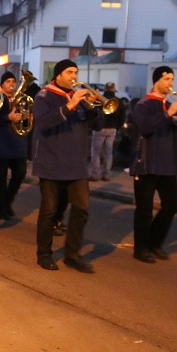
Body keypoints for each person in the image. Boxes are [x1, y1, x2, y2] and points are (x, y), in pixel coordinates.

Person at [31, 59, 101, 272]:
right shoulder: (44, 96)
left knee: (82, 209)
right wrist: (69, 105)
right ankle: (44, 254)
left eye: (76, 72)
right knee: (49, 211)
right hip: (52, 162)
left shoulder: (78, 97)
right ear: (59, 74)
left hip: (76, 165)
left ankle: (72, 254)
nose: (74, 76)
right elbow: (43, 122)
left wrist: (93, 109)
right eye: (70, 72)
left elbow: (96, 126)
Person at [130, 66, 177, 263]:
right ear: (156, 81)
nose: (171, 83)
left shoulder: (171, 104)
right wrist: (168, 115)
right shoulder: (144, 104)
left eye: (172, 79)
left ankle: (154, 242)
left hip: (168, 164)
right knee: (144, 210)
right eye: (167, 78)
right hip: (147, 163)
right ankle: (140, 248)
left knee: (172, 205)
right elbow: (145, 128)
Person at [0, 70, 30, 220]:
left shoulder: (21, 100)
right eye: (8, 81)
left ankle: (7, 202)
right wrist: (8, 117)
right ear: (2, 84)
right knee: (0, 179)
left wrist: (28, 119)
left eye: (13, 81)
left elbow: (24, 121)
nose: (12, 84)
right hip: (1, 143)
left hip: (17, 144)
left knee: (20, 173)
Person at [88, 81, 122, 182]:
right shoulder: (118, 102)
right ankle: (106, 175)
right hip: (113, 129)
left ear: (105, 89)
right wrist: (117, 127)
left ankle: (94, 174)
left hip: (100, 128)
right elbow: (122, 117)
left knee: (96, 152)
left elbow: (93, 114)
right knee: (108, 152)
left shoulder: (98, 100)